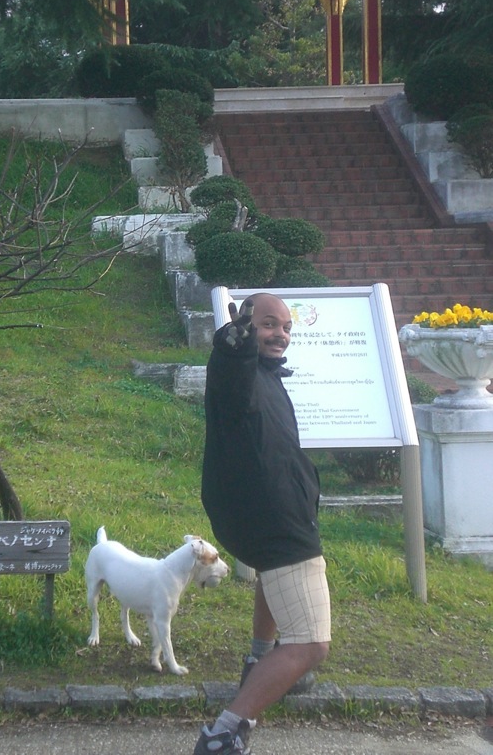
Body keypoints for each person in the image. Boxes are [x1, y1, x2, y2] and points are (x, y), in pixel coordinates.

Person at [195, 293, 331, 755]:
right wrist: (237, 338)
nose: (280, 334)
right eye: (269, 324)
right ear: (248, 326)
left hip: (268, 512)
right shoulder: (239, 366)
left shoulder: (267, 375)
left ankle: (258, 659)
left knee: (272, 583)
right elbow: (232, 366)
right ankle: (225, 732)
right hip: (276, 521)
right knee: (311, 644)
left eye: (287, 328)